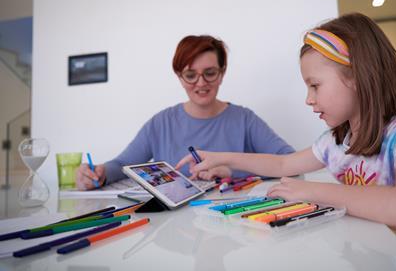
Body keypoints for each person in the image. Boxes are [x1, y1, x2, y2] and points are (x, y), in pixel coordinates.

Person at [176, 13, 396, 270]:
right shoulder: (338, 140)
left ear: (357, 76)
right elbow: (283, 163)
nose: (308, 99)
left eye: (315, 85)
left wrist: (313, 191)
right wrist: (221, 157)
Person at [76, 35, 294, 190]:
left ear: (222, 73)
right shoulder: (161, 123)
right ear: (179, 76)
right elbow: (123, 165)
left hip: (235, 222)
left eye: (210, 73)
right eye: (190, 75)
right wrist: (100, 172)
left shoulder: (244, 120)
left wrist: (232, 171)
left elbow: (290, 162)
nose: (201, 83)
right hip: (176, 230)